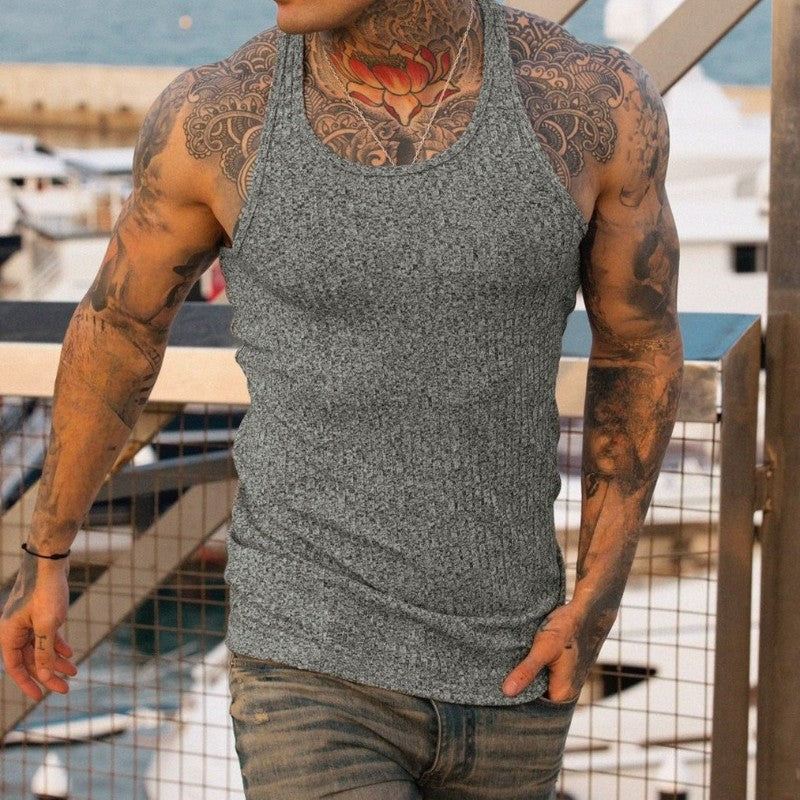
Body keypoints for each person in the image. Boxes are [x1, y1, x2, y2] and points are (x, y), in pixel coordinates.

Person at [0, 0, 683, 797]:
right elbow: (119, 329)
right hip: (308, 659)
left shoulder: (592, 100)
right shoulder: (220, 114)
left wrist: (597, 597)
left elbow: (637, 348)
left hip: (514, 666)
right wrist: (46, 551)